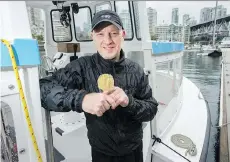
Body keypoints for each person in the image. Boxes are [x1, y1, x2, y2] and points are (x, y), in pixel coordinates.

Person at [39, 10, 158, 162]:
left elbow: (151, 109)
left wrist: (129, 102)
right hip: (101, 153)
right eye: (100, 34)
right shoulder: (82, 67)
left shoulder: (136, 70)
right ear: (92, 36)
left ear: (123, 34)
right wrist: (81, 99)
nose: (108, 40)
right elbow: (43, 88)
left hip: (134, 152)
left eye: (114, 33)